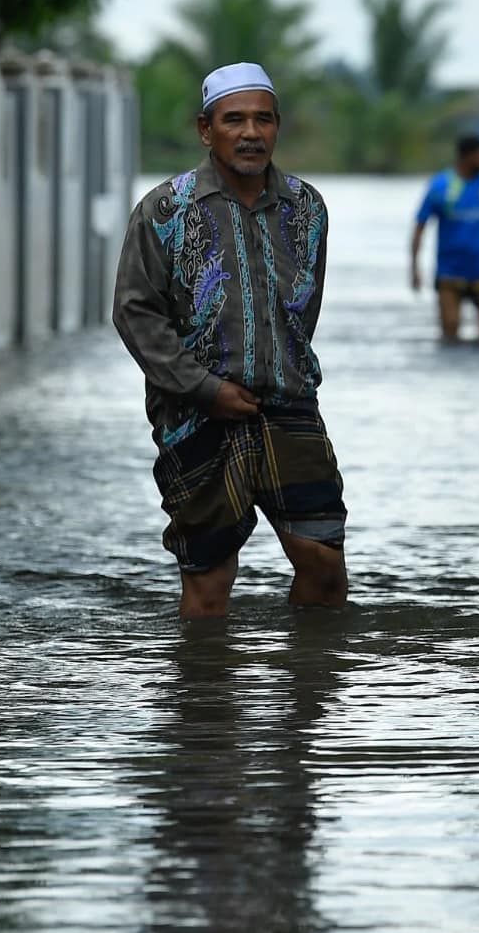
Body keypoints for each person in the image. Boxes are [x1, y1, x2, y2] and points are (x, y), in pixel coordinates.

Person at [113, 62, 348, 619]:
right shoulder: (165, 210)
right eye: (234, 120)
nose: (250, 133)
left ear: (277, 127)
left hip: (289, 407)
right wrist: (203, 387)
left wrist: (279, 368)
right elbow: (135, 313)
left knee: (324, 568)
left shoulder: (306, 207)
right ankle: (206, 678)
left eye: (263, 120)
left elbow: (303, 310)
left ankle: (309, 674)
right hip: (196, 414)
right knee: (209, 579)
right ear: (206, 129)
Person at [411, 133, 479, 341]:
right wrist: (415, 268)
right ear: (468, 156)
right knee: (450, 333)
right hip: (450, 274)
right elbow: (420, 226)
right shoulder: (441, 185)